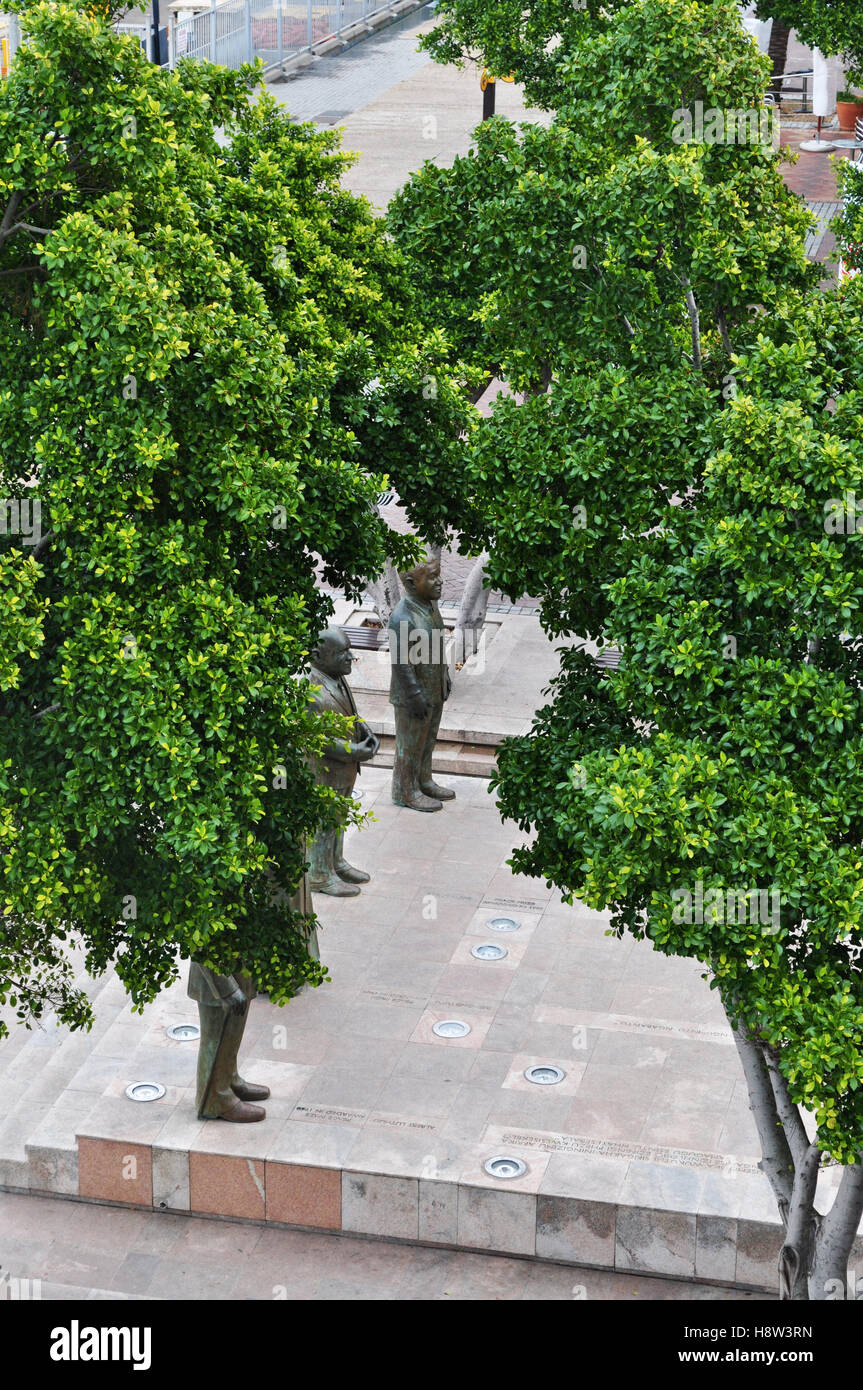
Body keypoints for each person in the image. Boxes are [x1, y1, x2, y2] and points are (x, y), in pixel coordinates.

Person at [307, 626, 378, 895]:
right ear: (319, 655)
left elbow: (350, 713)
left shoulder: (336, 677)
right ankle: (319, 874)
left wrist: (366, 731)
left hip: (344, 769)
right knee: (325, 822)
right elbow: (318, 739)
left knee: (337, 818)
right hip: (324, 771)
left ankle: (334, 861)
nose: (350, 657)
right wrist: (354, 751)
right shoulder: (309, 689)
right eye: (342, 653)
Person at [388, 558, 455, 812]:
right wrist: (414, 694)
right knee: (410, 745)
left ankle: (423, 780)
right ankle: (405, 791)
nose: (439, 581)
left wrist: (444, 675)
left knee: (427, 741)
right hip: (412, 696)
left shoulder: (430, 606)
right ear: (411, 584)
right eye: (432, 577)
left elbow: (437, 643)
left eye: (438, 575)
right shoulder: (402, 616)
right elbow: (400, 663)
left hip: (433, 688)